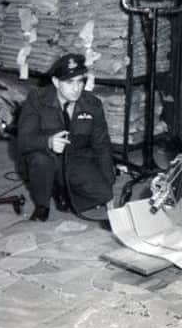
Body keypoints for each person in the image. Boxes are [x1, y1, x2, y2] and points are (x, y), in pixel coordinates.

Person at [17, 53, 115, 221]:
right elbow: (23, 141)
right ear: (56, 82)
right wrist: (48, 141)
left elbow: (102, 146)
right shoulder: (37, 99)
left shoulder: (92, 105)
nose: (76, 88)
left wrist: (109, 186)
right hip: (46, 157)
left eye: (80, 81)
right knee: (41, 161)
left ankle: (61, 191)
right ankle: (43, 205)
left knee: (102, 193)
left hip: (76, 158)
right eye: (69, 82)